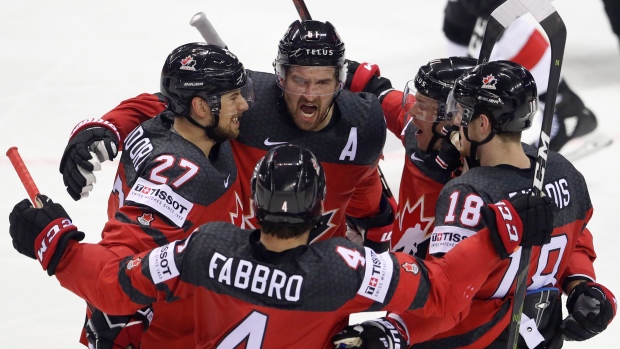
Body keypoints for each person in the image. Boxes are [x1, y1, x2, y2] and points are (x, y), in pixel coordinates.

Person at [9, 144, 555, 349]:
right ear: (320, 209)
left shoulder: (204, 245)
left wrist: (54, 244)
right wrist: (497, 235)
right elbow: (440, 293)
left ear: (256, 200)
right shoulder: (346, 267)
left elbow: (116, 287)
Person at [337, 61, 617, 348]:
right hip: (435, 313)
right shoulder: (429, 136)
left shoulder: (473, 192)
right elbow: (382, 93)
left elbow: (449, 293)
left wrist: (395, 330)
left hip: (458, 331)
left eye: (450, 111)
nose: (412, 113)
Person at [59, 19, 395, 253]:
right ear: (281, 77)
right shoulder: (250, 102)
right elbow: (169, 103)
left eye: (322, 83)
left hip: (313, 285)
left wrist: (377, 233)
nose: (309, 95)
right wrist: (106, 126)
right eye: (299, 81)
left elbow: (365, 192)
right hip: (235, 275)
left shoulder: (364, 124)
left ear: (340, 83)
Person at [56, 42, 255, 349]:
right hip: (174, 333)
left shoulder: (165, 120)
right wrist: (55, 248)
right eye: (233, 97)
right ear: (201, 107)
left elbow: (150, 102)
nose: (244, 105)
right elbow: (119, 267)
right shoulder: (178, 178)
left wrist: (102, 124)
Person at [345, 57, 476, 259]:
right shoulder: (416, 130)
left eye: (422, 107)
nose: (412, 111)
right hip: (401, 277)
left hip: (444, 285)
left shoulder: (484, 179)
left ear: (454, 119)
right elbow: (375, 89)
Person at [442, 0, 599, 153]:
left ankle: (563, 105)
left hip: (487, 22)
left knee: (497, 12)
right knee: (465, 19)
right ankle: (564, 104)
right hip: (463, 24)